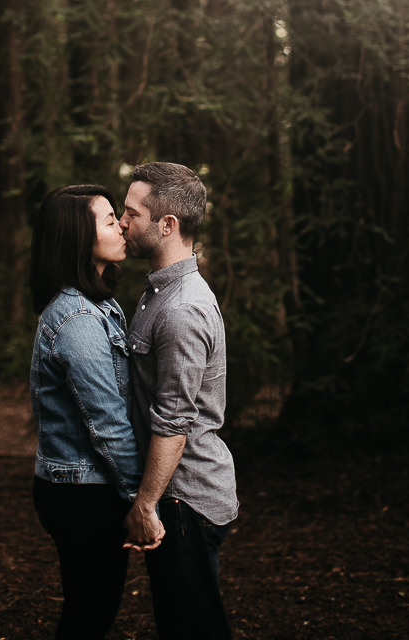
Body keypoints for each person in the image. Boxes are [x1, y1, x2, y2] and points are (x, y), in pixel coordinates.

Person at [29, 184, 164, 640]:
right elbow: (107, 426)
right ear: (77, 239)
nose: (123, 225)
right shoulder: (80, 321)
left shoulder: (97, 304)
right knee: (90, 615)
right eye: (110, 220)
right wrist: (139, 501)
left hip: (82, 487)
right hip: (82, 493)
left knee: (92, 610)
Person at [119, 161, 238, 640]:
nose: (122, 222)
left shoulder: (182, 308)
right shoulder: (158, 293)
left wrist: (146, 505)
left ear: (167, 225)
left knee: (195, 627)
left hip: (183, 498)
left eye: (132, 214)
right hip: (175, 493)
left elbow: (173, 420)